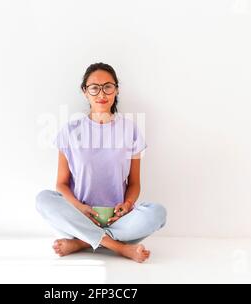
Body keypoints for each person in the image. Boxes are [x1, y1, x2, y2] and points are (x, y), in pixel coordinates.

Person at [36, 62, 167, 263]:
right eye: (94, 88)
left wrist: (128, 205)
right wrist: (79, 207)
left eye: (108, 86)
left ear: (116, 89)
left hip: (118, 219)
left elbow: (134, 183)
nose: (101, 93)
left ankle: (82, 242)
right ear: (85, 92)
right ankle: (119, 247)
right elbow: (61, 184)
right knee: (43, 199)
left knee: (158, 213)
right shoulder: (70, 131)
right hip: (79, 215)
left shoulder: (130, 130)